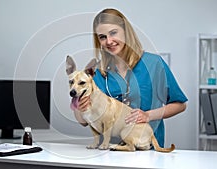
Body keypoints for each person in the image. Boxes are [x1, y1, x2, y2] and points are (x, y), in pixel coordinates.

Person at [72, 8, 188, 147]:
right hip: (109, 152)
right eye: (102, 37)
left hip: (148, 150)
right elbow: (84, 122)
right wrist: (79, 107)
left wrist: (148, 115)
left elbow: (180, 105)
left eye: (113, 33)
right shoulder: (96, 73)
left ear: (126, 31)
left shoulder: (154, 64)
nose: (109, 41)